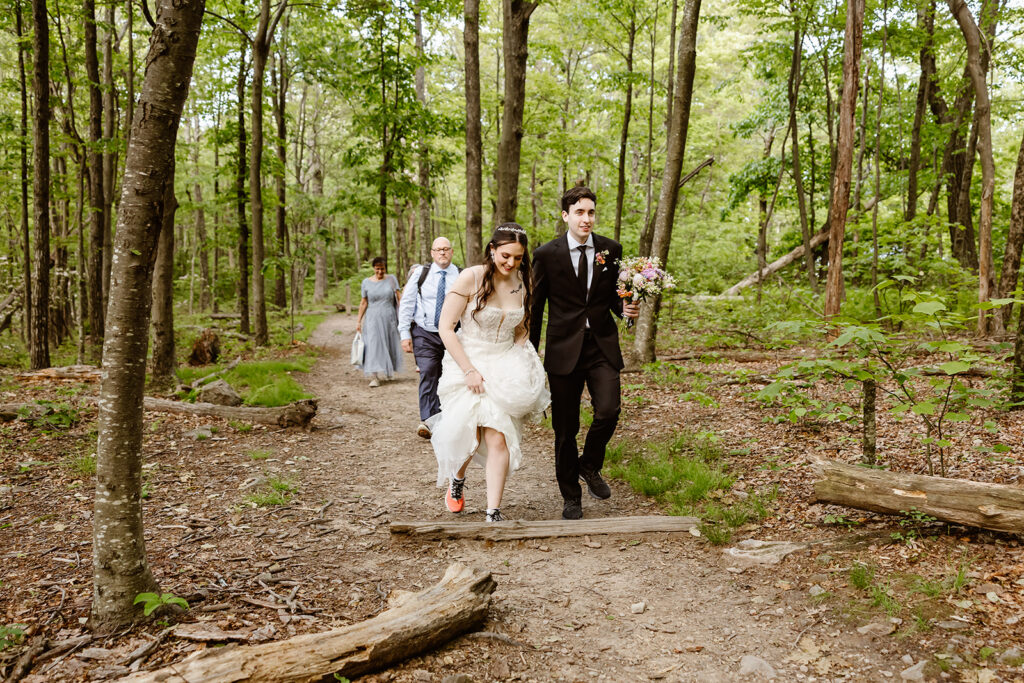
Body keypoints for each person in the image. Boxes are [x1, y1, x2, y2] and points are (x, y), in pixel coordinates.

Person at [529, 186, 640, 520]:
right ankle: (571, 496)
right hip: (563, 350)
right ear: (566, 215)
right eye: (579, 212)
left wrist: (627, 311)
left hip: (601, 345)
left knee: (609, 410)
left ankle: (589, 465)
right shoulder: (547, 254)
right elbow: (537, 308)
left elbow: (617, 298)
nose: (586, 219)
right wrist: (529, 354)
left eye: (591, 212)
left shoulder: (610, 249)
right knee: (565, 428)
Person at [431, 224, 550, 523]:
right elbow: (446, 328)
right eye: (506, 256)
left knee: (499, 438)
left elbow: (521, 329)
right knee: (467, 433)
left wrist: (525, 358)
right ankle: (457, 479)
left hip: (504, 364)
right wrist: (469, 370)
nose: (511, 263)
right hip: (467, 360)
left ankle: (492, 510)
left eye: (518, 258)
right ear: (492, 249)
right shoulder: (470, 276)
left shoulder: (523, 283)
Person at [398, 237, 460, 438]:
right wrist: (405, 334)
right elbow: (407, 303)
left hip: (453, 333)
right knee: (428, 371)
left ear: (451, 252)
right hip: (425, 333)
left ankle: (449, 418)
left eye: (446, 249)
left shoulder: (461, 275)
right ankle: (428, 420)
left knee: (451, 375)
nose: (442, 253)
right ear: (432, 253)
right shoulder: (420, 274)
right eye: (438, 250)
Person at [356, 257, 403, 388]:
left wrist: (405, 315)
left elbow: (399, 298)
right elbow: (364, 302)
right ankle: (374, 376)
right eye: (377, 269)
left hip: (389, 317)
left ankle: (388, 370)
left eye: (382, 269)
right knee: (373, 345)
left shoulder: (392, 279)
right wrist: (359, 321)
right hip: (372, 318)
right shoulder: (366, 282)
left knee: (388, 343)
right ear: (373, 268)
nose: (380, 272)